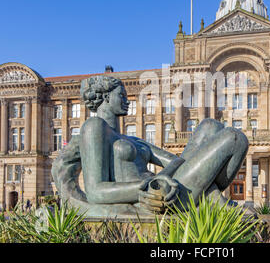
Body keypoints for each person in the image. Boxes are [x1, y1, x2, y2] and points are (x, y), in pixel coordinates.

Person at [52, 75, 249, 215]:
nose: (127, 101)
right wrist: (144, 188)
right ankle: (214, 201)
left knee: (210, 125)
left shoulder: (135, 140)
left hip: (165, 186)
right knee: (235, 138)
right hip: (153, 199)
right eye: (121, 96)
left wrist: (162, 178)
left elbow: (177, 161)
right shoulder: (95, 128)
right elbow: (95, 192)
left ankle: (213, 199)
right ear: (104, 98)